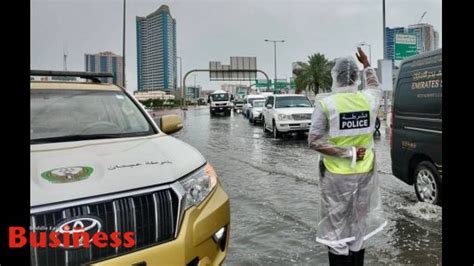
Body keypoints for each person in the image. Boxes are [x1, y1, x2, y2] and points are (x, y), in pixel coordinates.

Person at [308, 48, 387, 265]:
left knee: (336, 229)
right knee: (358, 226)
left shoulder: (327, 103)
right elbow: (375, 86)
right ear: (355, 77)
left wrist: (347, 152)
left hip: (336, 176)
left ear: (336, 77)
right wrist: (367, 64)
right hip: (365, 173)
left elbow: (314, 141)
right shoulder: (369, 99)